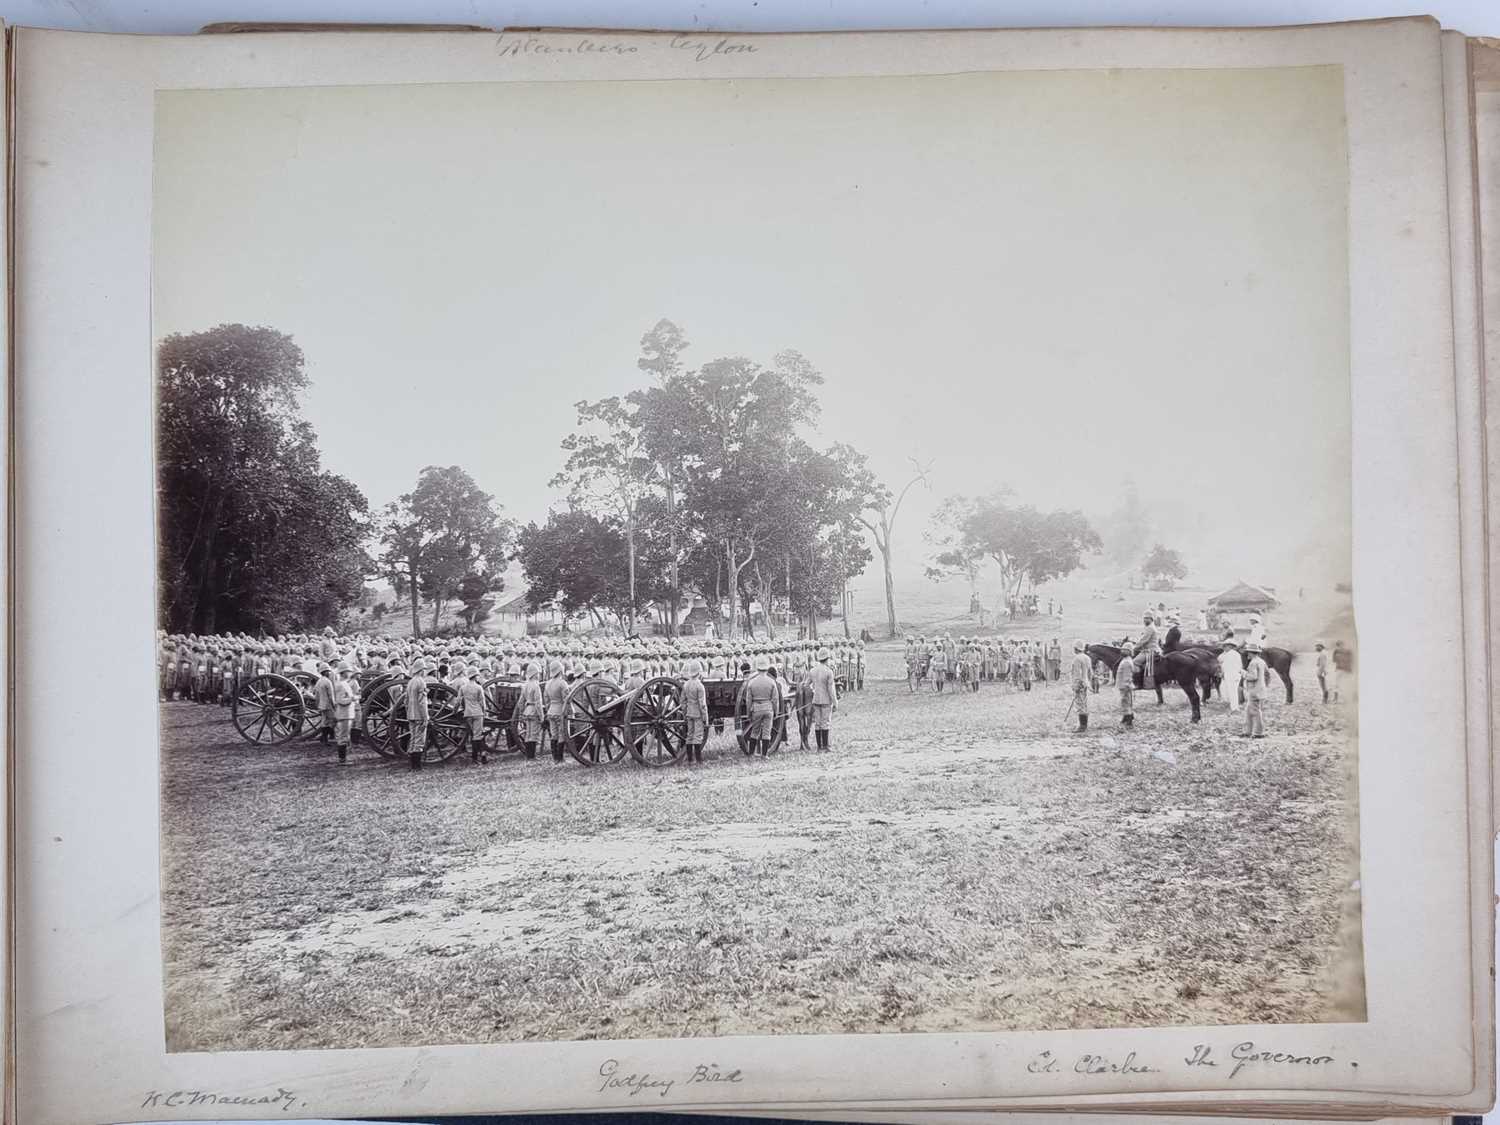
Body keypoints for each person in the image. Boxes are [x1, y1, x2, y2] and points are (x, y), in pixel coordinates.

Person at [744, 656, 779, 758]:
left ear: (757, 669)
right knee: (767, 732)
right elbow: (775, 699)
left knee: (755, 731)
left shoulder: (751, 682)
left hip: (756, 708)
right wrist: (776, 712)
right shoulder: (771, 682)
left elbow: (748, 700)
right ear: (767, 668)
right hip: (768, 708)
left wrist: (748, 713)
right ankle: (764, 755)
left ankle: (751, 754)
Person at [809, 647, 838, 752]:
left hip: (816, 700)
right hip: (826, 700)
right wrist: (835, 702)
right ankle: (826, 746)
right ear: (827, 658)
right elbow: (831, 689)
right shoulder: (829, 672)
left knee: (817, 723)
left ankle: (819, 746)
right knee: (825, 722)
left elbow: (806, 685)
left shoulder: (812, 671)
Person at [459, 665, 488, 764]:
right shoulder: (478, 687)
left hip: (468, 713)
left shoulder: (463, 687)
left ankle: (478, 757)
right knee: (478, 735)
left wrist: (455, 711)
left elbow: (459, 701)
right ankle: (477, 758)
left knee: (473, 734)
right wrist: (484, 713)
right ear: (476, 676)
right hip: (478, 713)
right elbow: (482, 703)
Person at [405, 661, 431, 770]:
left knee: (413, 738)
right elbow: (422, 702)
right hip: (419, 715)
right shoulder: (421, 682)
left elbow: (406, 700)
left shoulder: (410, 682)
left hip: (411, 714)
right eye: (424, 669)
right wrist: (426, 717)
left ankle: (412, 765)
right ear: (421, 670)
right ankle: (417, 766)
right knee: (419, 741)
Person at [682, 659, 709, 763]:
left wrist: (685, 713)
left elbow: (683, 701)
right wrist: (705, 717)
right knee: (698, 736)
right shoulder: (700, 686)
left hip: (689, 712)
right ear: (699, 672)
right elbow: (702, 704)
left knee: (689, 735)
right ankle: (699, 760)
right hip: (697, 713)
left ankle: (690, 760)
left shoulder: (686, 684)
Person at [543, 659, 569, 762]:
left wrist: (548, 708)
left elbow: (546, 699)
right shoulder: (562, 683)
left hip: (551, 710)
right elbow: (566, 699)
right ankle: (560, 757)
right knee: (561, 734)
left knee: (554, 734)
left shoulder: (548, 683)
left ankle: (555, 758)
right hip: (560, 710)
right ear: (560, 670)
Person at [332, 664, 357, 764]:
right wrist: (352, 698)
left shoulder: (344, 683)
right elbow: (340, 700)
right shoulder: (340, 685)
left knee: (345, 735)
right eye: (348, 671)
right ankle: (342, 760)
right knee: (343, 736)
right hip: (344, 714)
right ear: (343, 672)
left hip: (347, 713)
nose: (350, 673)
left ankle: (344, 758)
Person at [518, 664, 544, 759]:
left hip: (527, 710)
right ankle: (531, 756)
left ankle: (528, 755)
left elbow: (521, 701)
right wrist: (542, 716)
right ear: (535, 674)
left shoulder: (525, 685)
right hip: (534, 711)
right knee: (533, 735)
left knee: (528, 734)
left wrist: (521, 712)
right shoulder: (536, 686)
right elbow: (538, 703)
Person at [1242, 641, 1268, 737]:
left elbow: (1253, 677)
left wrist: (1243, 673)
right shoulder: (1262, 661)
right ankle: (1247, 731)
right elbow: (1267, 675)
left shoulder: (1253, 663)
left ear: (1251, 652)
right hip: (1260, 689)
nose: (1247, 654)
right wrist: (1264, 685)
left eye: (1248, 652)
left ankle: (1258, 733)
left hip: (1254, 690)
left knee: (1255, 711)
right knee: (1249, 711)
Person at [1069, 640, 1092, 732]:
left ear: (1076, 648)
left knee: (1080, 704)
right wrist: (1088, 682)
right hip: (1086, 683)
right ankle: (1084, 724)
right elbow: (1090, 672)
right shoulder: (1087, 657)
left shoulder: (1077, 659)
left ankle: (1082, 726)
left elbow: (1077, 674)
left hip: (1080, 684)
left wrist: (1077, 685)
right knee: (1084, 704)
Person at [1132, 613, 1158, 689]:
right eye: (1144, 618)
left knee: (1134, 663)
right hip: (1148, 649)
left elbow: (1144, 640)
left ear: (1151, 619)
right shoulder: (1149, 627)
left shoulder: (1150, 628)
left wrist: (1133, 648)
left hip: (1149, 651)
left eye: (1147, 618)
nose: (1145, 620)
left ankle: (1138, 684)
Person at [1218, 639, 1244, 714]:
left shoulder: (1229, 654)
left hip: (1231, 675)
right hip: (1234, 674)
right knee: (1232, 691)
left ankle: (1234, 708)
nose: (1224, 648)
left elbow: (1224, 665)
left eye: (1225, 646)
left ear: (1230, 646)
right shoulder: (1236, 654)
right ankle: (1234, 706)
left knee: (1232, 692)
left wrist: (1222, 673)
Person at [313, 662, 336, 744]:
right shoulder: (328, 682)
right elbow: (331, 696)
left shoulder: (319, 681)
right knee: (333, 720)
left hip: (321, 705)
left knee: (324, 721)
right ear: (325, 672)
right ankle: (325, 737)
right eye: (328, 671)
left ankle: (325, 738)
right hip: (328, 705)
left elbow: (316, 694)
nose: (329, 673)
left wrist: (317, 705)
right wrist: (334, 706)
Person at [1116, 649, 1135, 727]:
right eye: (1122, 649)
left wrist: (1127, 685)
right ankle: (1127, 717)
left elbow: (1127, 676)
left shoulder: (1127, 662)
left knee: (1125, 702)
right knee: (1126, 702)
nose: (1122, 651)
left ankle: (1129, 721)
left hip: (1125, 686)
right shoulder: (1126, 660)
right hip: (1123, 685)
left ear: (1129, 651)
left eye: (1125, 650)